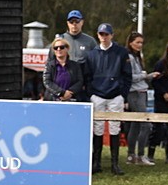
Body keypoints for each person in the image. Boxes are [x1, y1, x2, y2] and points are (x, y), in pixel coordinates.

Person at [84, 23, 131, 175]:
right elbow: (87, 77)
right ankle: (96, 163)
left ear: (112, 35)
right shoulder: (91, 54)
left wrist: (122, 95)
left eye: (106, 34)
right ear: (98, 35)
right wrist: (91, 93)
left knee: (114, 128)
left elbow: (127, 76)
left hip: (115, 96)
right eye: (101, 34)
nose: (104, 37)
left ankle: (115, 164)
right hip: (97, 95)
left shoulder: (122, 53)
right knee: (97, 128)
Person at [124, 32, 157, 166]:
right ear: (131, 42)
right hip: (135, 93)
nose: (140, 45)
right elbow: (130, 77)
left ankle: (131, 156)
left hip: (142, 91)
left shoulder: (138, 57)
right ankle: (141, 155)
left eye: (141, 43)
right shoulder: (129, 58)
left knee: (136, 124)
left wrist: (149, 76)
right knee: (146, 124)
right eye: (137, 42)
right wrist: (144, 75)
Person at [59, 10, 96, 100]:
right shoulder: (60, 39)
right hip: (63, 84)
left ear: (82, 22)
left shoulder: (90, 41)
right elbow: (51, 62)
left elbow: (95, 64)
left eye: (77, 21)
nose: (74, 24)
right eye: (71, 22)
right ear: (68, 23)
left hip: (83, 86)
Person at [41, 37, 84, 102]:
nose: (58, 49)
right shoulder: (49, 66)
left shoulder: (75, 66)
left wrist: (70, 92)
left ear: (67, 48)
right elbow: (47, 82)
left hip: (71, 100)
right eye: (56, 48)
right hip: (52, 100)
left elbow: (80, 82)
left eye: (61, 47)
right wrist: (62, 93)